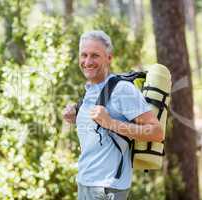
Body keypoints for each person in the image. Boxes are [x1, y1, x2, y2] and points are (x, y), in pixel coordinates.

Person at [63, 30, 164, 200]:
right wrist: (76, 116)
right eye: (84, 55)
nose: (87, 61)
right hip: (85, 182)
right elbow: (96, 130)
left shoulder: (122, 90)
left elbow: (156, 132)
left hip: (108, 188)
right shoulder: (91, 89)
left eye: (95, 55)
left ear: (109, 58)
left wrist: (111, 123)